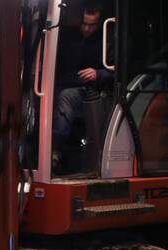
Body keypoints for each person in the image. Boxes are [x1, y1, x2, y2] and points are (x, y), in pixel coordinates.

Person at [53, 1, 114, 168]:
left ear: (101, 23)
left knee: (66, 97)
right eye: (84, 24)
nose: (87, 29)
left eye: (92, 25)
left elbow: (120, 72)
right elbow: (59, 71)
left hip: (99, 90)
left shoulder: (109, 40)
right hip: (71, 83)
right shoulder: (68, 40)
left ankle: (55, 150)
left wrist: (98, 73)